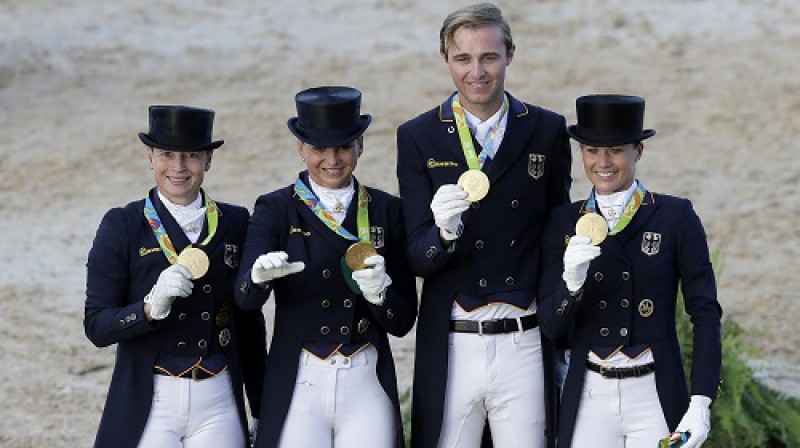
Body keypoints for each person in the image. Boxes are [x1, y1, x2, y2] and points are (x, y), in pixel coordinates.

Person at [395, 3, 572, 447]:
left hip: (524, 335)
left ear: (510, 53)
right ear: (446, 60)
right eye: (463, 59)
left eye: (488, 57)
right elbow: (415, 254)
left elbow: (557, 236)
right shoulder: (417, 135)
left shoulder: (547, 129)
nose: (477, 71)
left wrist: (563, 332)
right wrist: (443, 234)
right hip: (454, 338)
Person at [234, 86, 418, 448]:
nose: (332, 159)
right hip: (302, 378)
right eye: (319, 148)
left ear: (360, 145)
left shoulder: (385, 210)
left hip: (365, 377)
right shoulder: (275, 209)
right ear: (301, 148)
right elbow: (244, 300)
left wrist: (381, 294)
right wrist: (257, 280)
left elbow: (402, 321)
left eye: (343, 147)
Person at [538, 94, 722, 447]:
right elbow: (550, 324)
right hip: (589, 394)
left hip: (653, 391)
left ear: (638, 151)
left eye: (616, 150)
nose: (603, 162)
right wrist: (570, 285)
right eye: (592, 151)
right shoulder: (562, 221)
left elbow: (705, 312)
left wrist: (701, 400)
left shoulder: (675, 216)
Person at [84, 105, 266, 447]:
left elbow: (249, 325)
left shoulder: (237, 222)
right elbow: (97, 326)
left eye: (192, 156)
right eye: (167, 154)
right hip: (153, 399)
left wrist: (261, 406)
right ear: (150, 156)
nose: (179, 168)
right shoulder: (122, 225)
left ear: (208, 160)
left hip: (218, 400)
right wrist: (149, 308)